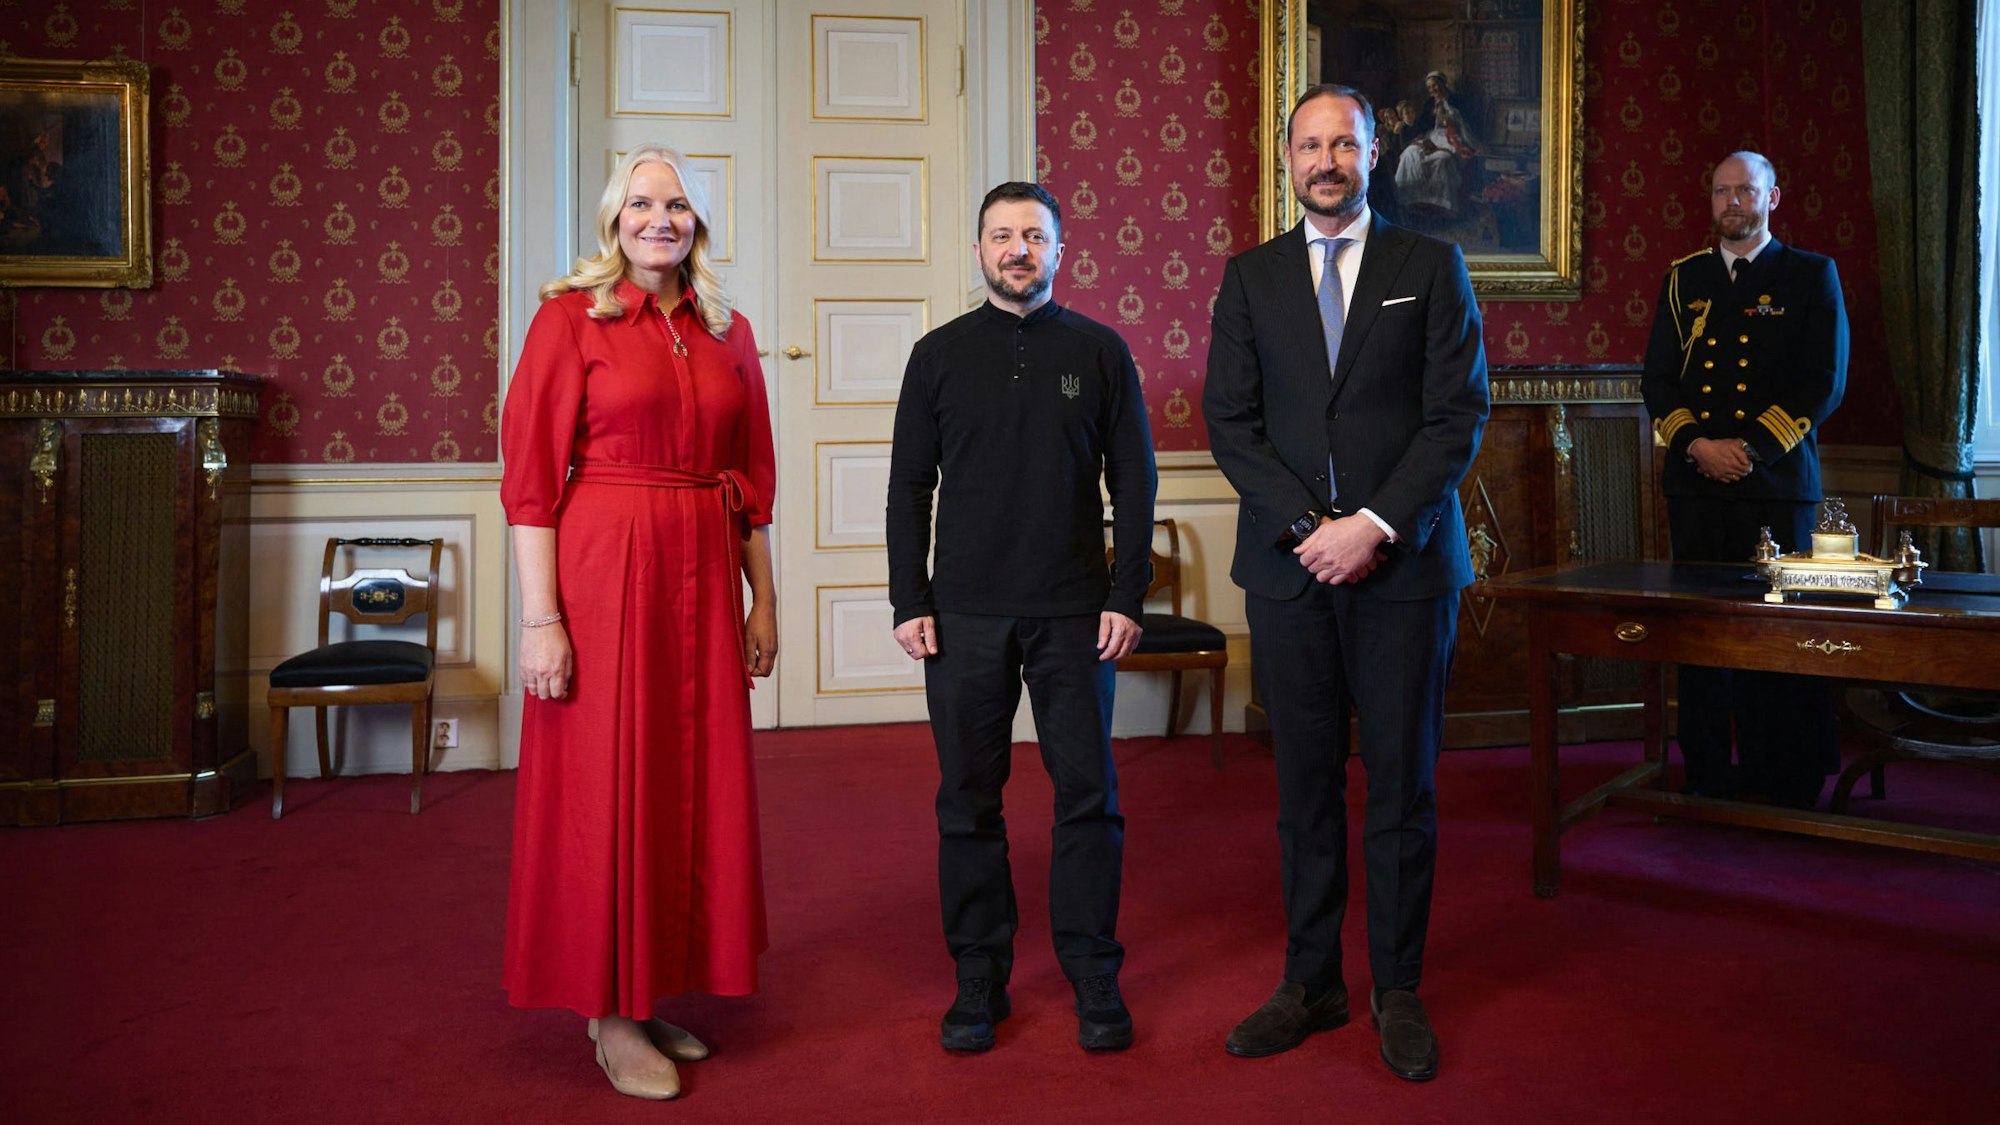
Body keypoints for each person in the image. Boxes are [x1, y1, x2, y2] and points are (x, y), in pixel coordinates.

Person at [1203, 84, 1489, 1083]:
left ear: (1374, 153)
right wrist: (1308, 532)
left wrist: (1370, 526)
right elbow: (1230, 425)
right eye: (1309, 145)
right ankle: (1311, 980)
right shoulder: (1249, 278)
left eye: (1344, 144)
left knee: (1402, 785)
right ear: (1287, 160)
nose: (1325, 161)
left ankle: (1396, 987)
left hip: (1404, 570)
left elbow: (1456, 416)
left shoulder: (1432, 266)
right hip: (1289, 576)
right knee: (1304, 787)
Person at [500, 142, 778, 1101]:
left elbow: (751, 483)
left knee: (683, 784)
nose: (661, 220)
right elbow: (531, 487)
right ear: (614, 221)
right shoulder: (568, 319)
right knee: (606, 785)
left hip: (703, 576)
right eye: (642, 204)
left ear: (698, 222)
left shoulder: (727, 329)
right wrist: (542, 619)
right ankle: (607, 1014)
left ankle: (645, 989)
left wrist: (764, 599)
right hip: (605, 577)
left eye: (678, 205)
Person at [886, 181, 1158, 1055]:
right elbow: (907, 487)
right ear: (978, 251)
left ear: (1059, 251)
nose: (1017, 250)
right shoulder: (936, 355)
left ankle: (1092, 968)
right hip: (963, 615)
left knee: (1089, 796)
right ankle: (979, 972)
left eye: (1034, 236)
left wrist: (1125, 595)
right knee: (969, 798)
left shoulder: (1101, 350)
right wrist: (909, 599)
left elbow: (1136, 482)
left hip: (1075, 612)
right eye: (1001, 235)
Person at [1640, 151, 1848, 808]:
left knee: (1779, 634)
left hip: (1775, 486)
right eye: (1721, 190)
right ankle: (1706, 770)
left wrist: (1750, 449)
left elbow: (1824, 381)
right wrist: (1698, 445)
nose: (1733, 201)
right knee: (1701, 633)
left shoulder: (1809, 274)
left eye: (1746, 191)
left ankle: (1785, 776)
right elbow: (1657, 380)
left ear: (1772, 198)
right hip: (1697, 486)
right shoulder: (1685, 279)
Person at [1393, 72, 1480, 223]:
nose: (1433, 89)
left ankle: (1443, 206)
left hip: (1452, 137)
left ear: (1442, 84)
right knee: (1410, 153)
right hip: (1432, 136)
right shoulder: (1429, 103)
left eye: (1435, 85)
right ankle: (1413, 201)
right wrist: (1406, 127)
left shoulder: (1457, 100)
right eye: (1429, 87)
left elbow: (1465, 124)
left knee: (1443, 159)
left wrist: (1449, 109)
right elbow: (1422, 125)